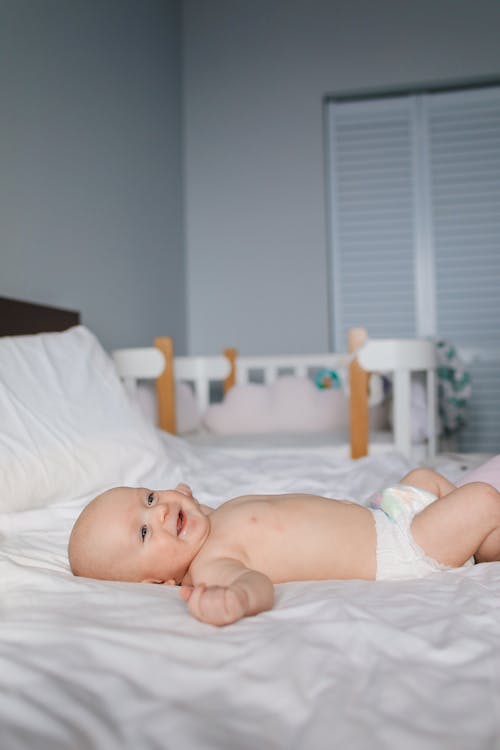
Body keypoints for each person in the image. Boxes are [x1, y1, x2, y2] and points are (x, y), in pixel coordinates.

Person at [68, 468, 500, 626]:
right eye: (143, 532)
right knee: (481, 498)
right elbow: (254, 584)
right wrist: (233, 598)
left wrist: (187, 502)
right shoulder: (210, 565)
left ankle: (478, 545)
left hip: (380, 512)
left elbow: (185, 504)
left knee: (424, 477)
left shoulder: (208, 520)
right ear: (159, 581)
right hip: (398, 547)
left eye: (148, 497)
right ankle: (478, 542)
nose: (159, 511)